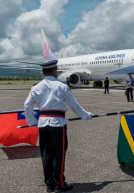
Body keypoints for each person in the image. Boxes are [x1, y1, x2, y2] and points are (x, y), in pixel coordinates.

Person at [24, 60, 93, 192]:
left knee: (46, 154)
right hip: (57, 124)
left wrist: (31, 121)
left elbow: (27, 104)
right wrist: (86, 116)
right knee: (58, 154)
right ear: (55, 70)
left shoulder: (36, 87)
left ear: (43, 72)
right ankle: (59, 184)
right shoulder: (62, 86)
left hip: (43, 124)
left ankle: (49, 184)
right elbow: (74, 105)